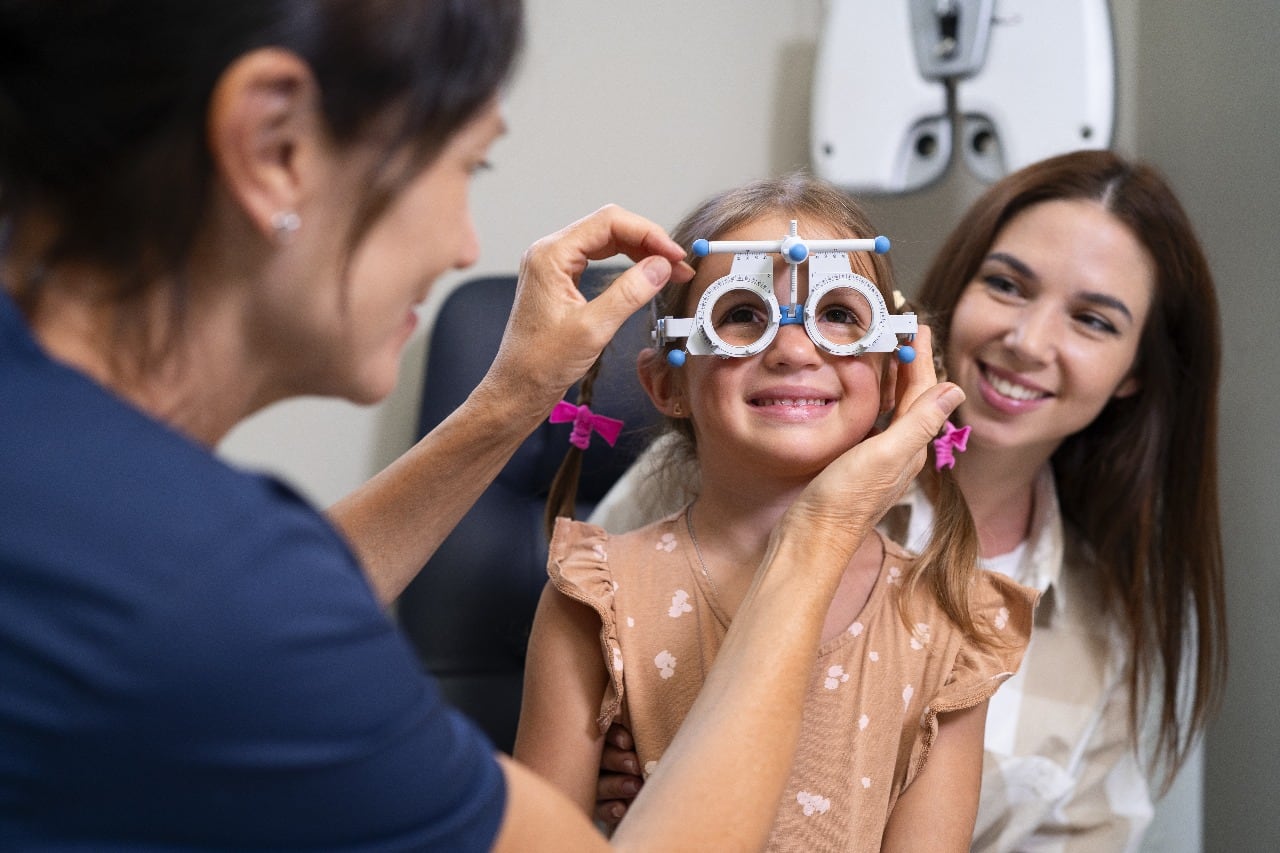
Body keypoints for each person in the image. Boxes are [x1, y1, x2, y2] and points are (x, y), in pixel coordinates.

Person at [0, 2, 967, 850]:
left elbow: (254, 607)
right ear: (276, 146)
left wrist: (512, 399)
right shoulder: (206, 591)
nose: (469, 243)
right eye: (468, 164)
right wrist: (822, 533)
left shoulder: (106, 522)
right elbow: (243, 615)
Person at [589, 150, 1228, 852]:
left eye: (1094, 321)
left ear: (1137, 370)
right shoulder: (749, 455)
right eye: (1009, 285)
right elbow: (598, 683)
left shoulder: (1115, 627)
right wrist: (651, 781)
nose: (1028, 340)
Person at [513, 175, 1038, 852]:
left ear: (894, 370)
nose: (793, 349)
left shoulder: (945, 619)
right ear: (666, 381)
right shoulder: (597, 597)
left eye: (841, 315)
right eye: (741, 314)